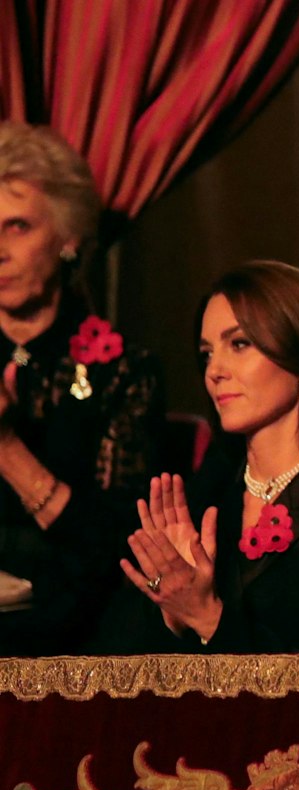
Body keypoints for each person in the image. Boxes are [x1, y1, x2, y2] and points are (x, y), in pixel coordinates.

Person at [105, 261, 299, 653]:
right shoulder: (208, 495)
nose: (214, 371)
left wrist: (208, 617)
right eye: (206, 353)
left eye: (239, 344)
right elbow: (114, 657)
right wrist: (171, 609)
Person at [0, 123, 161, 654]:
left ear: (68, 238)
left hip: (69, 638)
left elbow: (115, 555)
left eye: (16, 227)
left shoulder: (124, 372)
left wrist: (7, 449)